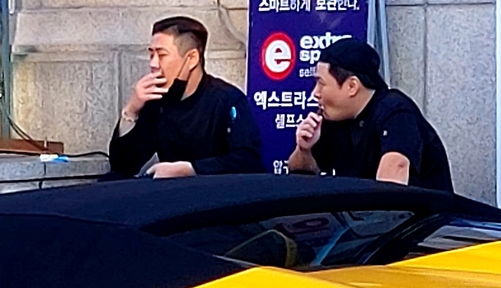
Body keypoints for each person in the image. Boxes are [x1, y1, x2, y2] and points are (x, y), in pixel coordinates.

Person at [280, 36, 452, 189]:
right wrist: (304, 149)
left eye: (321, 84)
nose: (315, 93)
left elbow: (393, 179)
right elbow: (299, 175)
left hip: (422, 220)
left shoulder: (395, 111)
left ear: (352, 86)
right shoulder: (333, 116)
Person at [107, 16, 264, 178]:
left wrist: (191, 169)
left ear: (191, 59)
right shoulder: (157, 101)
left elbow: (248, 160)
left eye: (162, 55)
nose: (153, 64)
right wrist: (131, 110)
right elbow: (122, 166)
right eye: (151, 55)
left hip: (218, 194)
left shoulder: (227, 99)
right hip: (173, 197)